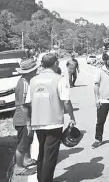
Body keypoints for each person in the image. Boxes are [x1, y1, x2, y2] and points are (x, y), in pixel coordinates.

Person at [24, 53, 76, 182]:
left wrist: (29, 123)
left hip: (37, 122)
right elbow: (66, 102)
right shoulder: (59, 79)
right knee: (50, 155)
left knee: (42, 152)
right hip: (54, 122)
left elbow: (27, 104)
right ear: (56, 63)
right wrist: (72, 117)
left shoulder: (33, 80)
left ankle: (40, 178)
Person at [13, 59, 39, 176]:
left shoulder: (26, 81)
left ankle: (27, 160)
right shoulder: (24, 83)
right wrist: (28, 123)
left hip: (25, 118)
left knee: (28, 140)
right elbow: (24, 105)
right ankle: (19, 168)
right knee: (22, 144)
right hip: (23, 119)